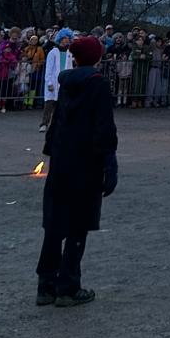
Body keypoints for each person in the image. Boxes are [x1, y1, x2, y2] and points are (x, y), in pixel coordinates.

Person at [37, 35, 118, 308]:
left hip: (62, 158)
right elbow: (104, 125)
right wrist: (109, 161)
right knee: (78, 224)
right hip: (86, 160)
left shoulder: (67, 83)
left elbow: (58, 119)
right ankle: (68, 286)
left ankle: (45, 284)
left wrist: (51, 150)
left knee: (55, 224)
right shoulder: (98, 84)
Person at [42, 30, 74, 132]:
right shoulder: (53, 52)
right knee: (49, 103)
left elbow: (70, 68)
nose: (67, 40)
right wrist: (49, 83)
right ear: (60, 39)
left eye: (68, 38)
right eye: (65, 38)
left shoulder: (69, 53)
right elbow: (49, 69)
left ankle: (57, 125)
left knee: (61, 104)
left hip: (64, 81)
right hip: (53, 81)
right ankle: (44, 123)